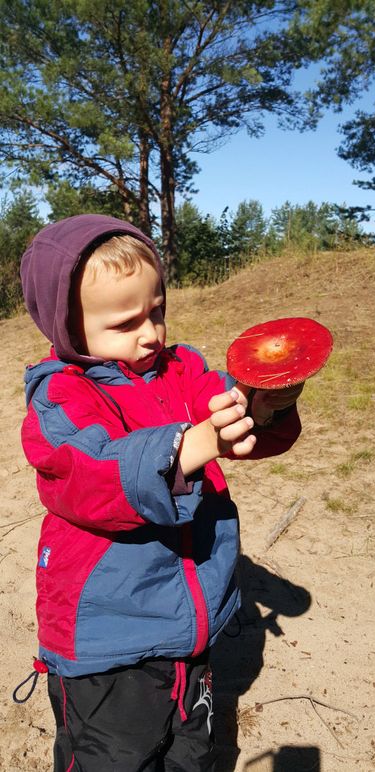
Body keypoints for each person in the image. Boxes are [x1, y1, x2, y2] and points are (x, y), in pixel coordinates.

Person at [18, 214, 303, 772]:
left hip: (191, 625)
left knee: (190, 749)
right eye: (126, 323)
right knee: (115, 758)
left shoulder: (182, 368)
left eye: (158, 311)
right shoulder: (60, 397)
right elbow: (90, 474)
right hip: (108, 637)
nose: (150, 333)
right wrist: (189, 444)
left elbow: (227, 412)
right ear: (67, 327)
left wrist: (262, 407)